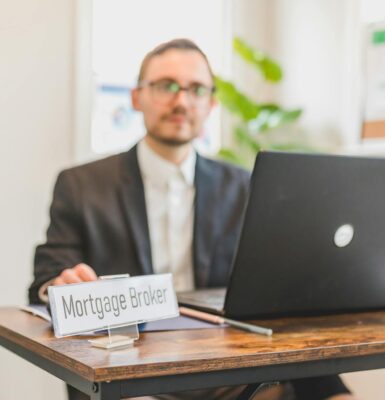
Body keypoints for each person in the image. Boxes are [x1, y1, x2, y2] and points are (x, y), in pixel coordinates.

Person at [29, 39, 356, 400]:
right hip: (127, 371)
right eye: (165, 86)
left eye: (196, 89)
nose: (181, 101)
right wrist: (62, 283)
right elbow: (45, 276)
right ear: (137, 97)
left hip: (225, 366)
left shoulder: (243, 184)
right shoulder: (82, 185)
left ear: (212, 103)